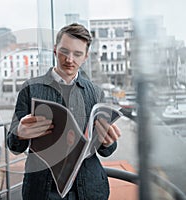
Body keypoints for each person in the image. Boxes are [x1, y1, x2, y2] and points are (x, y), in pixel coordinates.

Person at [7, 23, 121, 200]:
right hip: (42, 190)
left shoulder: (97, 93)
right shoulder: (30, 89)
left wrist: (108, 142)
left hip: (89, 189)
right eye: (64, 51)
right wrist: (19, 134)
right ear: (54, 50)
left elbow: (107, 151)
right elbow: (14, 146)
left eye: (77, 54)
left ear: (85, 57)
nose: (69, 59)